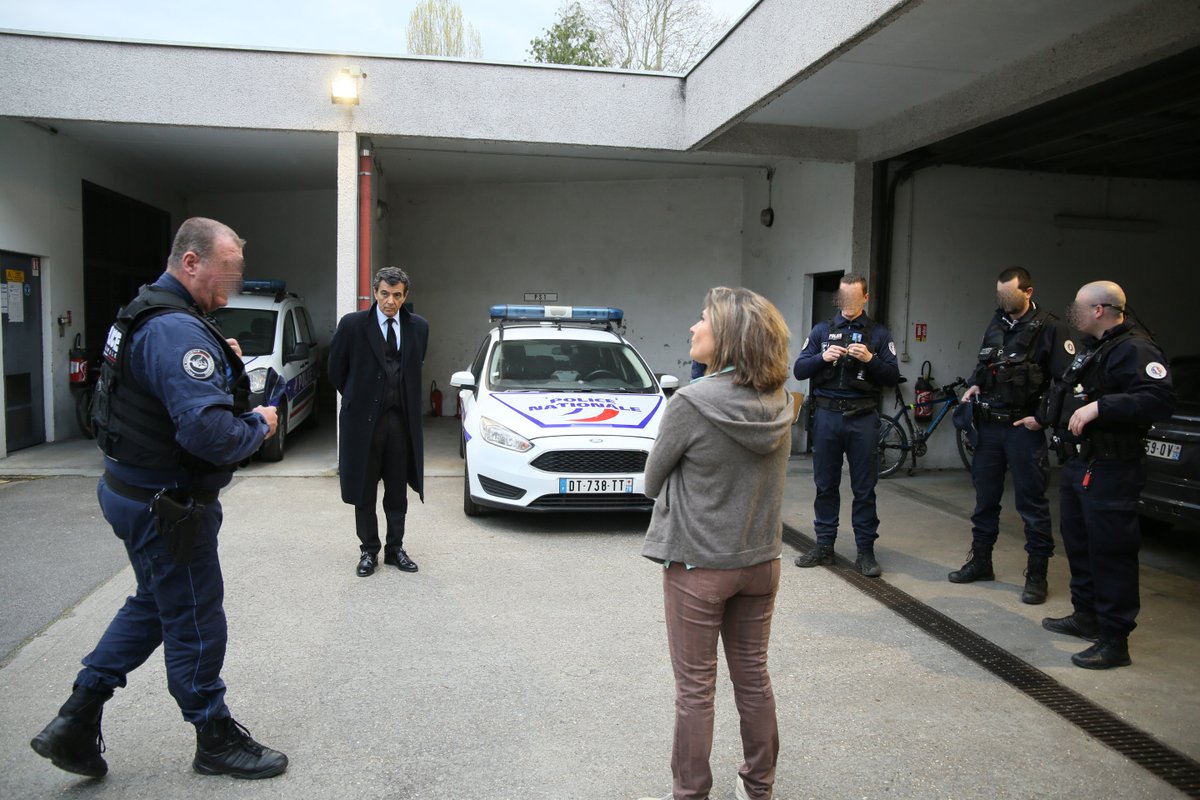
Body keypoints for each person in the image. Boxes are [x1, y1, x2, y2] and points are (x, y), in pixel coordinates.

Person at [30, 217, 288, 780]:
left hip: (132, 491)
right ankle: (213, 737)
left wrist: (221, 363)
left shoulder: (153, 312)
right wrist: (260, 424)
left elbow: (160, 395)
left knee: (153, 604)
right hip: (167, 506)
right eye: (230, 269)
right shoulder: (175, 331)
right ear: (191, 262)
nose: (236, 281)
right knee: (195, 616)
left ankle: (74, 720)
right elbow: (209, 435)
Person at [638, 287, 793, 800]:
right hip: (761, 562)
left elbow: (651, 479)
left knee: (695, 691)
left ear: (725, 337)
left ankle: (690, 793)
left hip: (699, 567)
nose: (693, 327)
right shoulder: (779, 400)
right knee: (753, 679)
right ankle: (760, 787)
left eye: (701, 319)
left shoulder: (691, 401)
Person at [1040, 281, 1174, 669]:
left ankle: (1115, 639)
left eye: (1078, 307)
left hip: (1112, 468)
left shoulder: (1136, 348)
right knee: (1080, 544)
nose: (1073, 314)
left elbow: (1160, 398)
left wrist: (1103, 407)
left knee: (1111, 552)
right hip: (1081, 464)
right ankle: (1087, 616)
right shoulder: (1094, 350)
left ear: (1100, 310)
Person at [949, 267, 1074, 604]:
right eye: (1000, 295)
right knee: (984, 500)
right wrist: (976, 382)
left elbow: (1065, 382)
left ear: (1028, 292)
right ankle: (981, 562)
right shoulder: (997, 322)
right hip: (989, 427)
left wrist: (1043, 419)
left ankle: (1036, 576)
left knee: (1032, 504)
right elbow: (986, 364)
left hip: (1022, 429)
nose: (1003, 301)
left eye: (1009, 295)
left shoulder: (1051, 328)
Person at [792, 272, 899, 577]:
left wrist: (869, 359)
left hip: (862, 417)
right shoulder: (822, 331)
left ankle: (865, 552)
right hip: (827, 416)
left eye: (855, 298)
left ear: (866, 298)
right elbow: (800, 370)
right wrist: (823, 357)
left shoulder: (878, 335)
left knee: (864, 488)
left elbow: (892, 377)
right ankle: (825, 546)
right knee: (825, 485)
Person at [328, 266, 429, 577]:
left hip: (400, 423)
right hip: (363, 423)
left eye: (397, 295)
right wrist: (361, 399)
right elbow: (335, 371)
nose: (390, 301)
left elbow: (414, 367)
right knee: (364, 488)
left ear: (405, 296)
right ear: (375, 293)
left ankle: (395, 548)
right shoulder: (353, 325)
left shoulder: (418, 328)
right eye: (384, 294)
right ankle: (368, 550)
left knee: (397, 490)